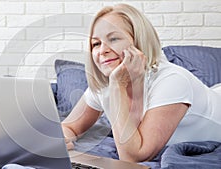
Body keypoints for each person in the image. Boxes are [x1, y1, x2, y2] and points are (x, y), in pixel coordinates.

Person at [61, 3, 221, 162]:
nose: (103, 50)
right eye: (96, 43)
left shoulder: (172, 81)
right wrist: (64, 139)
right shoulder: (104, 86)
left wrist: (118, 86)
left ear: (139, 42)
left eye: (114, 38)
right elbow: (70, 126)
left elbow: (131, 157)